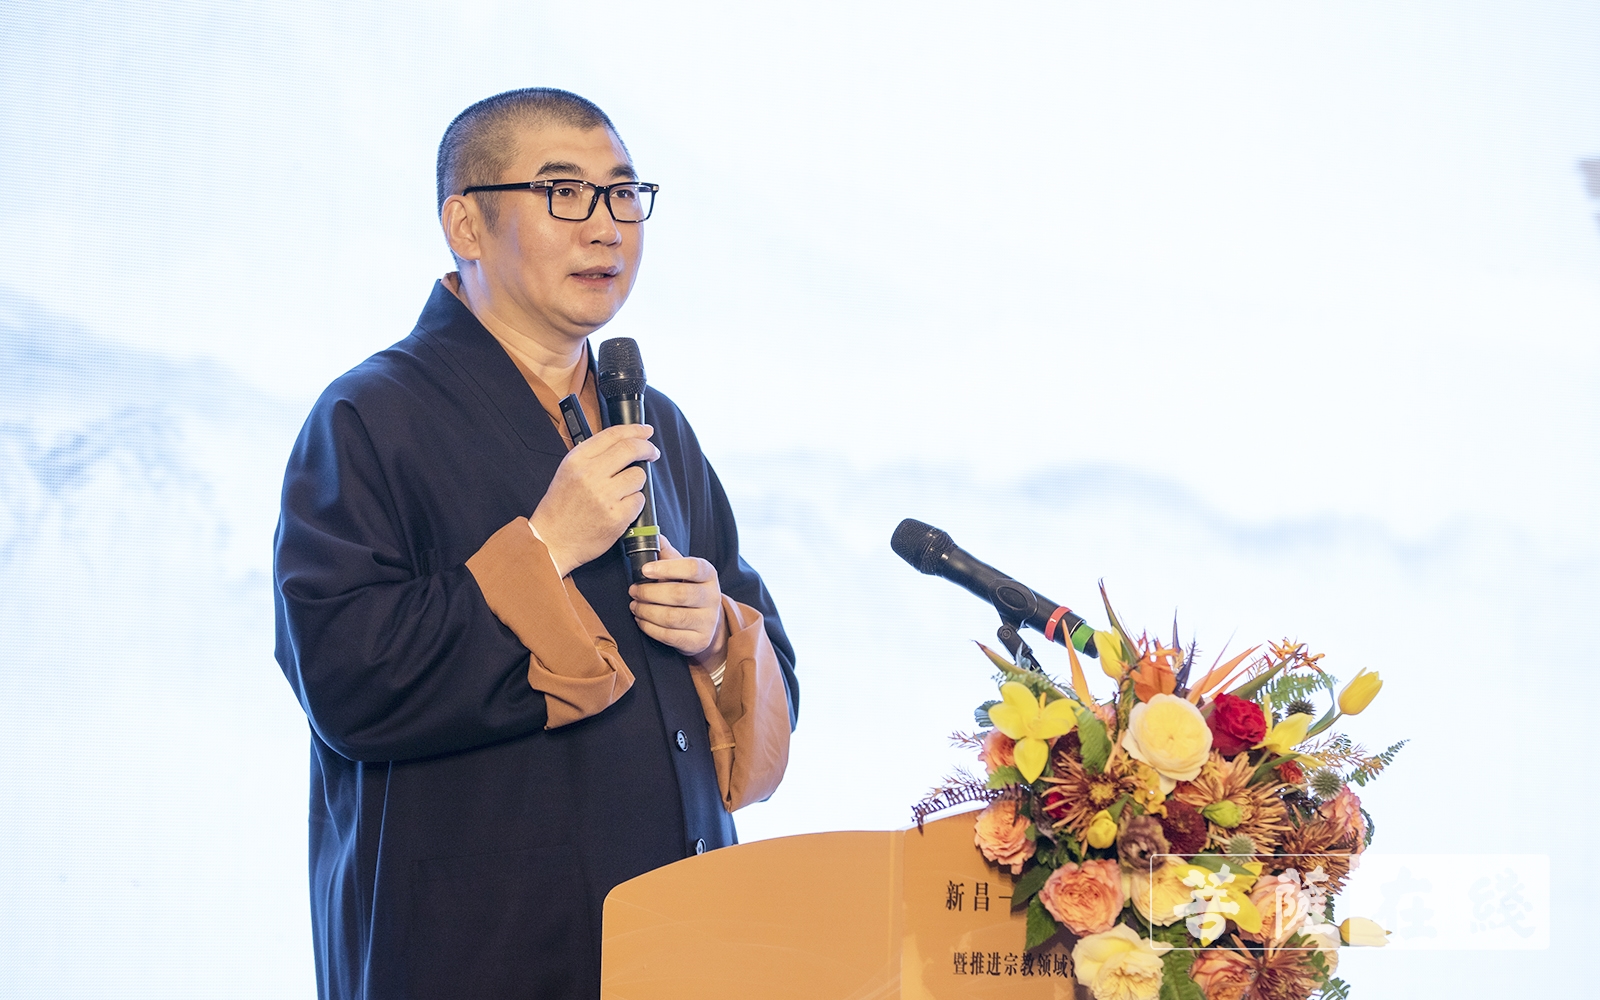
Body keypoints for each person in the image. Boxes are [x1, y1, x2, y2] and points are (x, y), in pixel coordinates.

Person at [273, 87, 798, 1000]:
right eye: (565, 193)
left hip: (678, 934)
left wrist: (716, 634)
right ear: (466, 224)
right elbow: (346, 681)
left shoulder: (656, 424)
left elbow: (765, 660)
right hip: (475, 944)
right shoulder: (371, 416)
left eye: (623, 194)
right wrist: (546, 548)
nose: (606, 227)